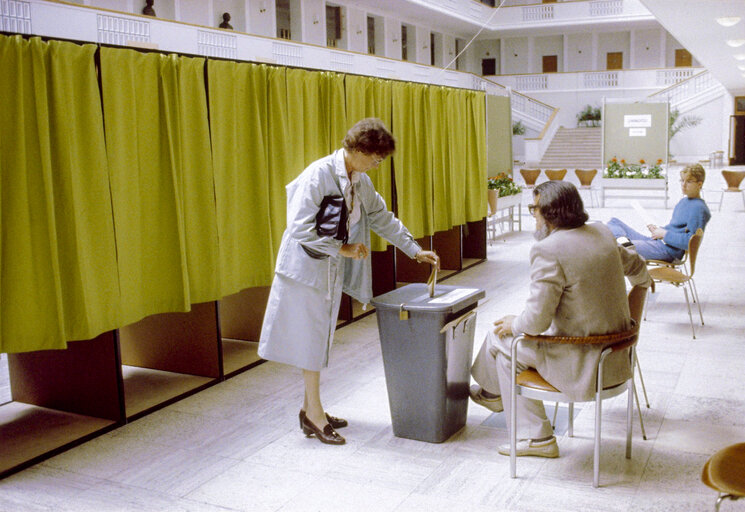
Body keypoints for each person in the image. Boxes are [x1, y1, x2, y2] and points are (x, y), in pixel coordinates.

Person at [258, 118, 440, 446]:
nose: (377, 165)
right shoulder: (319, 174)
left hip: (327, 268)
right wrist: (341, 247)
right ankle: (314, 416)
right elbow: (298, 228)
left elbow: (382, 217)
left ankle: (310, 408)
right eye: (375, 158)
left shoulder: (360, 180)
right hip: (304, 268)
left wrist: (414, 250)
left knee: (319, 339)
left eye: (380, 160)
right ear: (356, 150)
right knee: (311, 342)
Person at [469, 181, 651, 458]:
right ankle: (493, 395)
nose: (534, 215)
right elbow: (639, 270)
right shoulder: (602, 232)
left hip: (581, 362)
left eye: (534, 208)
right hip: (617, 358)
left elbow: (535, 322)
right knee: (507, 338)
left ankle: (533, 434)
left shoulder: (549, 249)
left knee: (502, 339)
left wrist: (514, 323)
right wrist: (640, 288)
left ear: (551, 213)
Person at [606, 163, 711, 262]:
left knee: (616, 247)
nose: (683, 185)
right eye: (682, 180)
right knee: (614, 222)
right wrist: (659, 230)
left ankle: (624, 246)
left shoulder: (699, 209)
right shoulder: (684, 201)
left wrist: (664, 234)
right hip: (658, 242)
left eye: (689, 181)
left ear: (699, 184)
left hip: (667, 251)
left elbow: (690, 242)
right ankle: (625, 244)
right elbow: (675, 228)